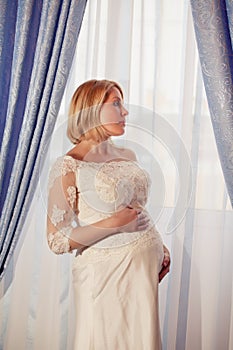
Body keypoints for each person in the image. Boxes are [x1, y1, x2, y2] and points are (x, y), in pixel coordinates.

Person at [47, 79, 170, 349]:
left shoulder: (128, 154)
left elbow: (136, 208)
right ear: (91, 109)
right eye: (116, 104)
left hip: (142, 274)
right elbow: (57, 240)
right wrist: (114, 224)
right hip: (104, 276)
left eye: (123, 104)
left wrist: (160, 244)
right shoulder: (69, 165)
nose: (125, 112)